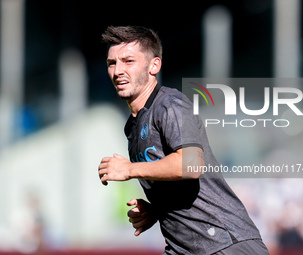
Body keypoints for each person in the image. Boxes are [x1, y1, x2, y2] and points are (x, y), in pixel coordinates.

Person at [98, 25, 269, 255]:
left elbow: (191, 164)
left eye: (128, 61)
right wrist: (157, 210)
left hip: (224, 244)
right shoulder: (133, 127)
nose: (118, 70)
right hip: (185, 249)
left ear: (154, 65)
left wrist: (129, 169)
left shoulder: (172, 105)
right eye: (112, 63)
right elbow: (176, 181)